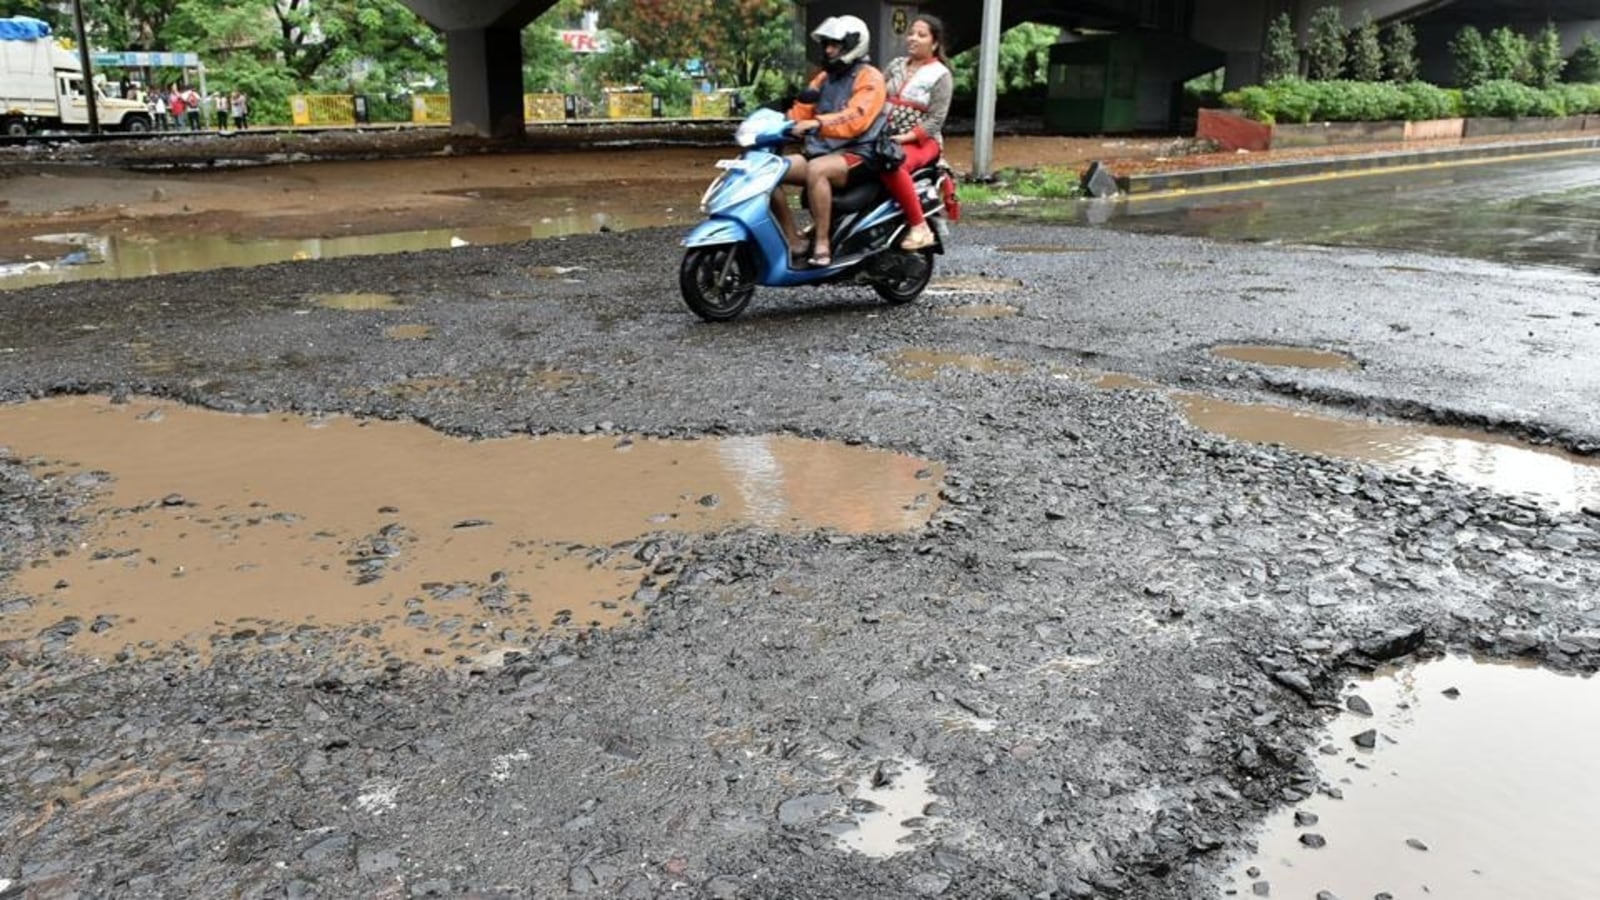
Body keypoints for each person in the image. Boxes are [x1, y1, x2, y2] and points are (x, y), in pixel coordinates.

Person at [773, 15, 886, 267]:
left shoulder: (870, 77)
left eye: (835, 44)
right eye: (827, 44)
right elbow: (801, 111)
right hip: (825, 150)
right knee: (770, 169)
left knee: (816, 170)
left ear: (853, 45)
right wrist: (781, 124)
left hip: (860, 152)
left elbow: (857, 117)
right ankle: (794, 241)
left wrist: (818, 123)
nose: (828, 49)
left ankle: (822, 243)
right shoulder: (824, 78)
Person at [879, 14, 953, 251]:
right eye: (911, 33)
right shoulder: (896, 65)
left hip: (922, 142)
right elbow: (874, 93)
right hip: (883, 135)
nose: (912, 38)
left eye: (921, 35)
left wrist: (906, 137)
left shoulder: (941, 75)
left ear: (935, 43)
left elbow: (936, 121)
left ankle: (919, 227)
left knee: (893, 163)